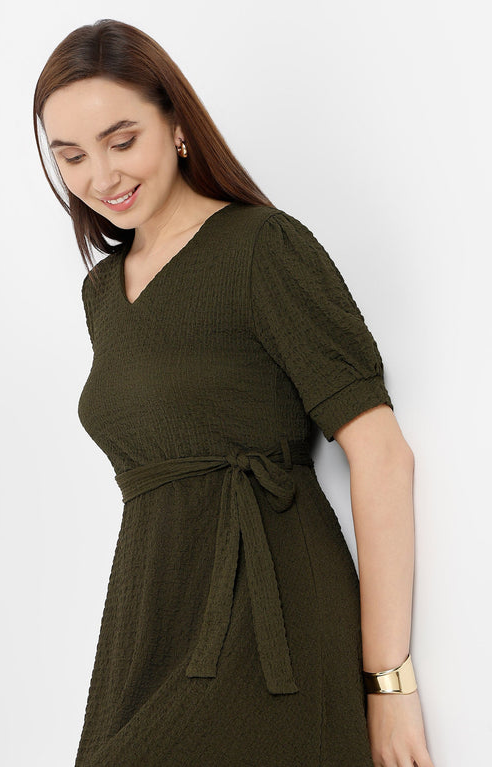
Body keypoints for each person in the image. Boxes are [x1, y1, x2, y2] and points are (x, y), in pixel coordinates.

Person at [33, 19, 434, 767]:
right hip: (148, 628)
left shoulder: (262, 248)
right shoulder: (101, 293)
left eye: (122, 140)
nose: (101, 176)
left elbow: (382, 454)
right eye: (73, 156)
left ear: (177, 125)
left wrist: (387, 683)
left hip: (266, 620)